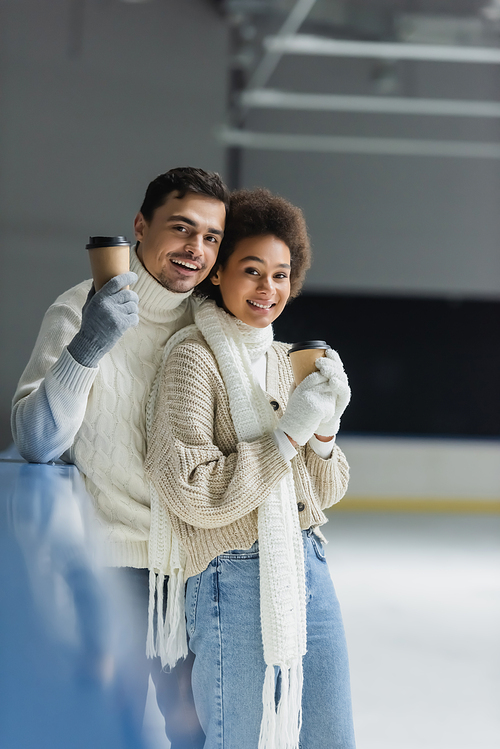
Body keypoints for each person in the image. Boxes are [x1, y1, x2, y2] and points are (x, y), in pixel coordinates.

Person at [11, 167, 230, 749]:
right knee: (108, 727)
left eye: (211, 238)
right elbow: (35, 442)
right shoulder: (80, 306)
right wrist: (90, 343)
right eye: (182, 229)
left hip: (196, 568)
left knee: (197, 730)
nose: (196, 250)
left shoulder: (217, 323)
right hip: (108, 565)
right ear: (141, 227)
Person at [145, 188, 356, 749]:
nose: (269, 289)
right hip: (230, 577)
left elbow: (325, 491)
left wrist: (326, 428)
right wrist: (290, 432)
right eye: (253, 270)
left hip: (305, 564)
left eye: (282, 275)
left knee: (330, 739)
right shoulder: (194, 357)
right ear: (219, 274)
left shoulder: (286, 361)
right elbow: (192, 491)